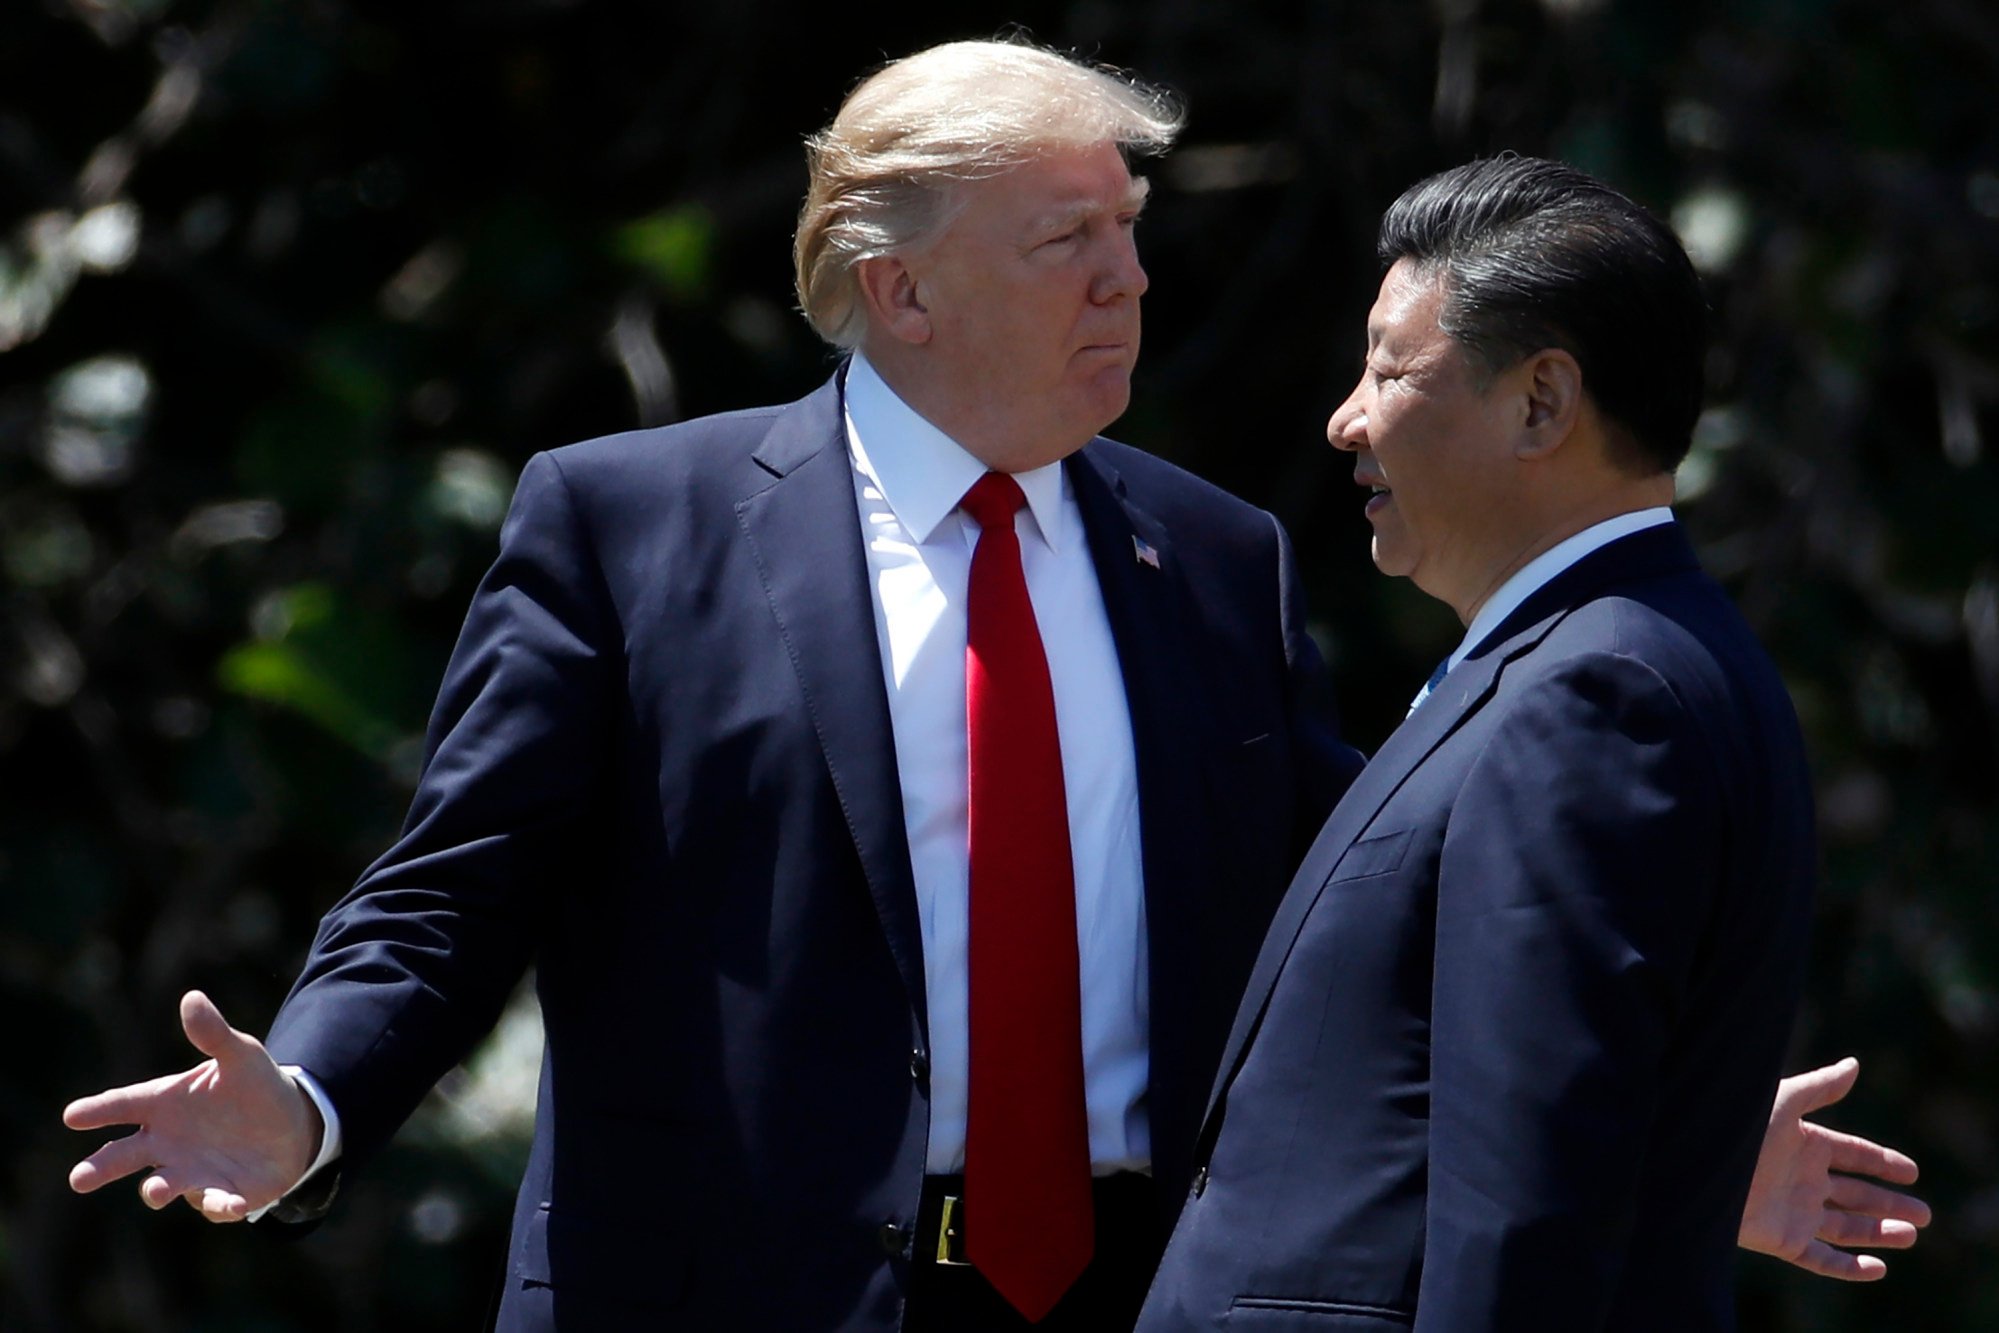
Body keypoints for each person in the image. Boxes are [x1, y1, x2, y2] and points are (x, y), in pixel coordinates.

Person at [64, 45, 1923, 1333]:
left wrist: (1661, 1123)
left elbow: (1368, 902)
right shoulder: (632, 528)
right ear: (899, 290)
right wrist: (304, 1093)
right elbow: (451, 891)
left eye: (1126, 229)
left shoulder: (1208, 554)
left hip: (1122, 1290)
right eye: (1066, 241)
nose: (1127, 280)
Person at [1138, 154, 1884, 1332]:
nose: (1348, 418)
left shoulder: (1592, 695)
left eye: (1389, 369)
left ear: (1541, 401)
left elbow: (1527, 1208)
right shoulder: (1612, 661)